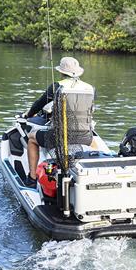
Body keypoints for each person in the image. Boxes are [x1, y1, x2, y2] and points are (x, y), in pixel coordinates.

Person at [23, 57, 95, 188]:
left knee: (32, 138)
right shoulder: (90, 88)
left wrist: (29, 115)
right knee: (94, 142)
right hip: (86, 136)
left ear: (61, 72)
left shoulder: (57, 86)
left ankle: (32, 178)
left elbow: (39, 104)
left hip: (60, 137)